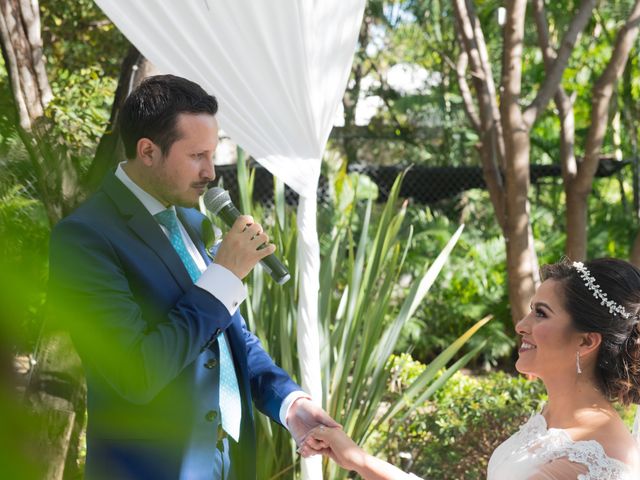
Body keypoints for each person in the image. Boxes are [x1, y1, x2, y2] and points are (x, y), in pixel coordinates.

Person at [48, 74, 336, 480]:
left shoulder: (192, 219)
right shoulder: (84, 238)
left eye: (212, 154)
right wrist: (223, 277)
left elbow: (227, 338)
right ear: (147, 151)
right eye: (197, 156)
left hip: (231, 464)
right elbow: (135, 372)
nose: (211, 173)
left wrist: (289, 404)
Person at [301, 258, 640, 479]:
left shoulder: (593, 456)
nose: (521, 325)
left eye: (541, 313)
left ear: (586, 342)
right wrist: (359, 460)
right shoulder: (556, 415)